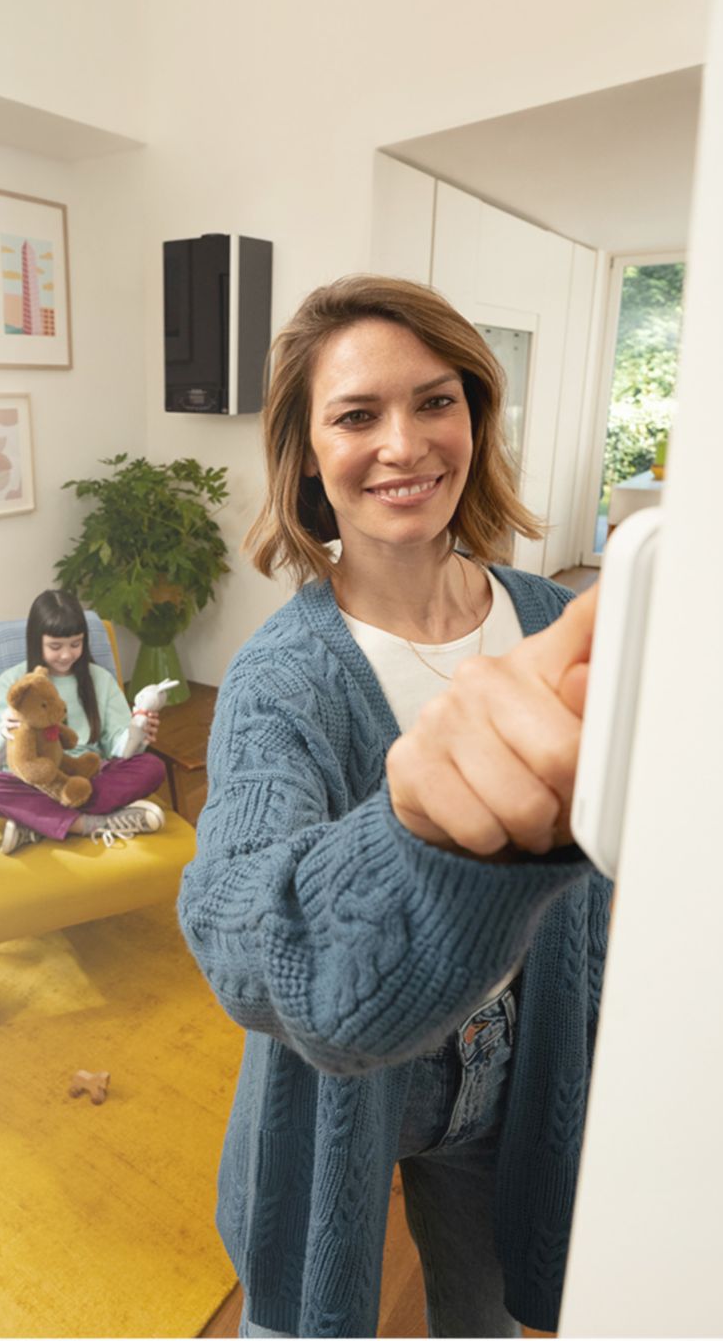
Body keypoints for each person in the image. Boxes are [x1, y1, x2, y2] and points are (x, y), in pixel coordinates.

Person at [177, 275, 613, 1339]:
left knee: (487, 1319)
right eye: (357, 415)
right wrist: (420, 833)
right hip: (347, 1094)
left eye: (434, 401)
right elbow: (240, 927)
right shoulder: (282, 678)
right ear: (309, 455)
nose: (405, 445)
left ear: (476, 415)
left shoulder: (558, 621)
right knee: (303, 1315)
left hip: (525, 1069)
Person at [0, 589, 170, 853]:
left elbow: (118, 750)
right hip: (33, 782)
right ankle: (93, 824)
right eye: (55, 646)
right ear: (36, 641)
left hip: (87, 778)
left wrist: (137, 732)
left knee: (153, 766)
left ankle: (35, 822)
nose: (66, 655)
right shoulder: (12, 683)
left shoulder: (99, 679)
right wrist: (2, 731)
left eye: (75, 644)